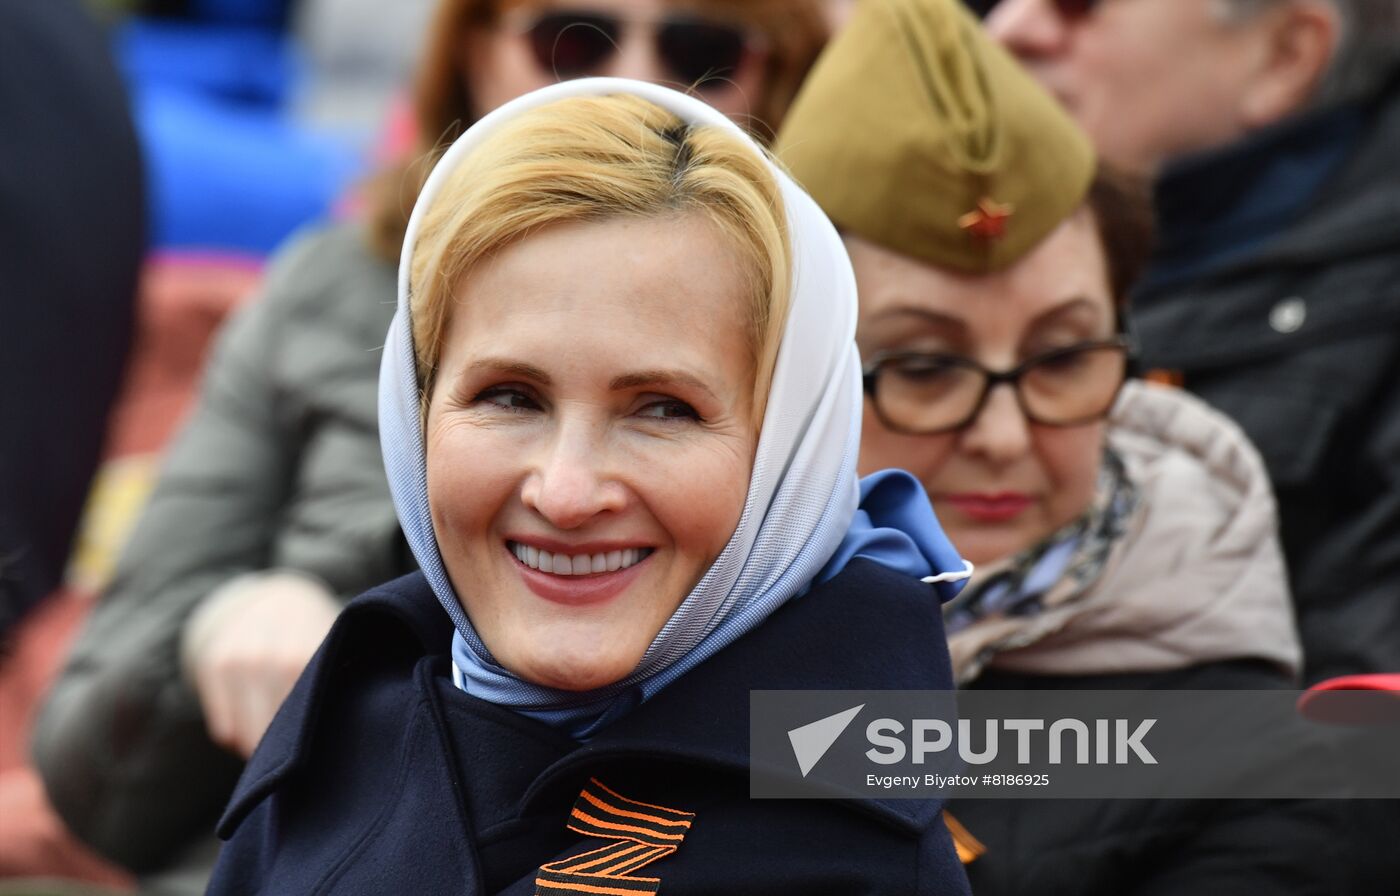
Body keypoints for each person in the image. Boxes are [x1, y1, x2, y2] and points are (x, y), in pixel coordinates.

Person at [32, 0, 829, 889]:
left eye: (702, 50)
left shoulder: (838, 342)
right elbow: (83, 776)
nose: (637, 81)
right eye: (571, 39)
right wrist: (231, 628)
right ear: (472, 55)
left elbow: (963, 757)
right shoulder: (327, 288)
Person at [208, 77, 974, 894]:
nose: (568, 494)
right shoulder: (341, 734)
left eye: (663, 409)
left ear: (788, 449)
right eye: (510, 397)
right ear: (416, 410)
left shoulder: (852, 854)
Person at [776, 0, 1382, 891]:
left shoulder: (1277, 769)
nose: (1003, 435)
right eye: (922, 365)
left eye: (1062, 356)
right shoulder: (637, 633)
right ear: (789, 382)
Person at [982, 0, 1400, 683]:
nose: (1010, 29)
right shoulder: (956, 242)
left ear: (1284, 57)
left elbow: (1353, 742)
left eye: (1076, 7)